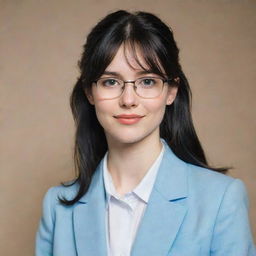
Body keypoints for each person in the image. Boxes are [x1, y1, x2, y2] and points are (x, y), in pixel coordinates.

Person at [35, 10, 255, 256]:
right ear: (89, 91)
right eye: (110, 81)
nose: (128, 99)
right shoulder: (58, 206)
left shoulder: (220, 199)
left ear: (171, 91)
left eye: (147, 81)